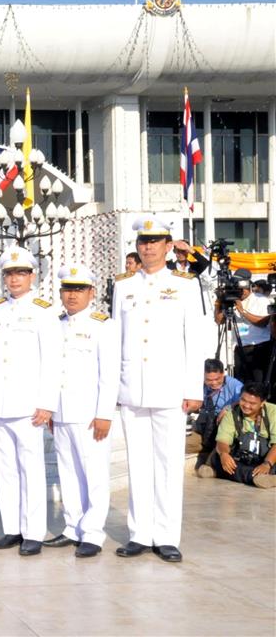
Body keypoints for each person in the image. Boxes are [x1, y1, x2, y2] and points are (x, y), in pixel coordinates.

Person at [112, 215, 203, 563]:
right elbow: (118, 338)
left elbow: (194, 339)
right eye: (142, 242)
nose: (147, 247)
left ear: (168, 246)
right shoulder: (123, 286)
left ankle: (166, 536)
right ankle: (139, 533)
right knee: (138, 463)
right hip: (132, 387)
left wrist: (193, 387)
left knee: (166, 464)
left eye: (155, 241)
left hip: (170, 388)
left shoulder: (184, 285)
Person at [0, 246, 62, 557]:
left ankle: (33, 532)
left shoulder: (43, 311)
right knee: (5, 469)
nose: (14, 279)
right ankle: (12, 529)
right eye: (9, 274)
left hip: (28, 405)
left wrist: (46, 403)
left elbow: (52, 360)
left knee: (31, 468)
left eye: (20, 273)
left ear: (32, 276)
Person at [42, 265, 119, 559]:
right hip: (62, 412)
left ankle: (94, 533)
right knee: (69, 472)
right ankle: (72, 526)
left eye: (78, 289)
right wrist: (50, 408)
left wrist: (104, 414)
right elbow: (51, 370)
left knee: (94, 474)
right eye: (67, 289)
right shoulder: (56, 324)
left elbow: (109, 374)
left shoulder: (103, 325)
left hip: (90, 414)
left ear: (91, 293)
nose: (71, 295)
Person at [198, 382, 276, 488]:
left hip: (268, 459)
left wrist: (267, 464)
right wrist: (224, 454)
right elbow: (222, 441)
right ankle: (257, 477)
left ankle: (262, 476)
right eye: (243, 400)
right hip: (243, 458)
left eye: (252, 403)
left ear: (262, 403)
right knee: (218, 456)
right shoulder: (231, 413)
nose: (246, 406)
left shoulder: (273, 412)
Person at [214, 268, 272, 386]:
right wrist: (219, 303)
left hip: (258, 348)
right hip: (238, 349)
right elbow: (219, 321)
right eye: (238, 288)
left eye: (243, 289)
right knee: (240, 383)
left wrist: (242, 311)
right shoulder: (232, 299)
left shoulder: (261, 300)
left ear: (249, 286)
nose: (241, 292)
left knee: (257, 384)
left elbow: (263, 322)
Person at [189, 359, 242, 469]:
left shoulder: (234, 384)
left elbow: (247, 399)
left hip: (224, 428)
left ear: (223, 374)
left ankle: (213, 456)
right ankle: (208, 450)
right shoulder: (197, 385)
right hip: (205, 428)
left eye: (217, 379)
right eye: (209, 380)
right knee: (183, 444)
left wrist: (228, 407)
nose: (213, 383)